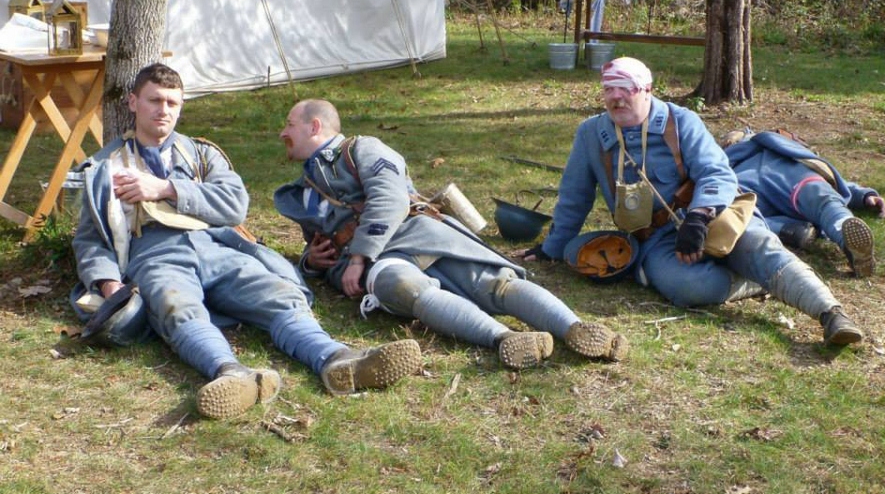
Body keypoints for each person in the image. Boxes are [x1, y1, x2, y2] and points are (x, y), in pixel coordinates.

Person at [71, 63, 422, 420]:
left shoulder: (202, 154)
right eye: (154, 101)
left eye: (172, 103)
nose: (164, 111)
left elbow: (235, 204)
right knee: (176, 306)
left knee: (276, 295)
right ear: (132, 102)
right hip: (154, 255)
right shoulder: (104, 167)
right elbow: (89, 239)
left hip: (219, 246)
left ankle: (337, 359)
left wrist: (167, 188)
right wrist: (110, 285)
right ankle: (231, 375)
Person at [519, 57, 863, 346]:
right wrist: (552, 246)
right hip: (654, 238)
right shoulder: (591, 134)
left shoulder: (681, 121)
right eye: (609, 90)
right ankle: (756, 281)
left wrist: (699, 217)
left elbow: (717, 172)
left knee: (758, 247)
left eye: (627, 90)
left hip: (711, 217)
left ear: (648, 91)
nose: (617, 99)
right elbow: (575, 195)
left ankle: (831, 313)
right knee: (689, 287)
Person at [273, 99, 628, 370]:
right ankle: (506, 339)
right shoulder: (301, 189)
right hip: (383, 262)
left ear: (314, 126)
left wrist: (357, 256)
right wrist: (312, 262)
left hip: (416, 233)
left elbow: (391, 197)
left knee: (496, 284)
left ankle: (576, 329)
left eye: (289, 124)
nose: (282, 134)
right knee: (407, 289)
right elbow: (314, 243)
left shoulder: (362, 149)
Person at [721, 129, 885, 277]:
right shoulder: (777, 143)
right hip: (796, 178)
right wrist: (863, 195)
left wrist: (863, 195)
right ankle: (844, 232)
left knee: (743, 217)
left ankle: (789, 230)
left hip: (747, 188)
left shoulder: (725, 164)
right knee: (826, 203)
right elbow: (831, 178)